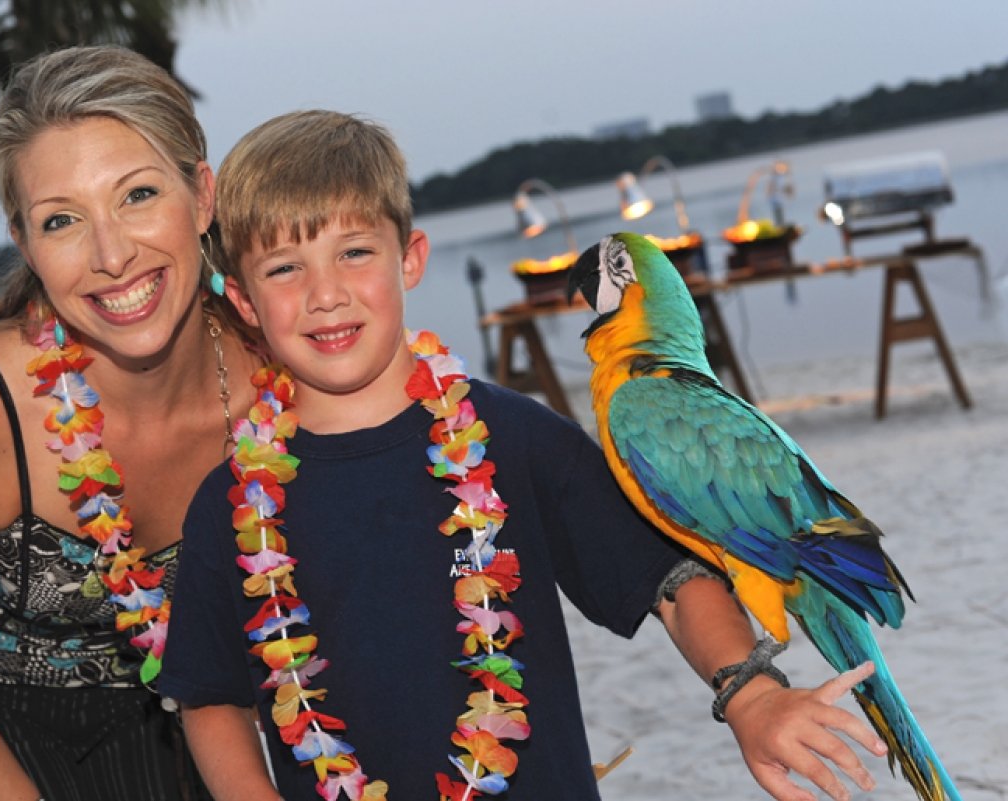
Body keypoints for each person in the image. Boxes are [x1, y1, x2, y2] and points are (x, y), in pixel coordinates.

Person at [159, 110, 890, 801]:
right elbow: (210, 696)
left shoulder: (513, 437)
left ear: (410, 258)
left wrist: (751, 695)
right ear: (243, 301)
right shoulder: (230, 506)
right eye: (285, 268)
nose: (326, 294)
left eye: (354, 252)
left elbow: (670, 579)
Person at [0, 45, 261, 801]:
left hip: (184, 711)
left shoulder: (277, 373)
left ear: (201, 195)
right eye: (62, 219)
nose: (110, 254)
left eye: (139, 194)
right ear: (25, 244)